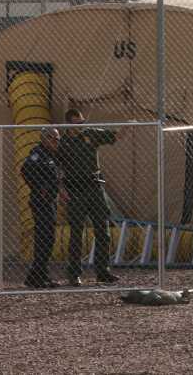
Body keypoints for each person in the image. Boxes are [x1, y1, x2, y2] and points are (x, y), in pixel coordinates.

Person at [59, 107, 120, 285]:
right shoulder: (63, 143)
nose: (82, 126)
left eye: (83, 122)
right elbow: (57, 167)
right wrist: (61, 189)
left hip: (94, 188)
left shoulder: (91, 134)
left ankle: (103, 271)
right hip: (75, 190)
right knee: (76, 232)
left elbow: (115, 137)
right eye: (78, 123)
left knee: (103, 231)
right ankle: (74, 274)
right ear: (69, 124)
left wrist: (128, 127)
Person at [21, 127, 62, 289]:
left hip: (49, 201)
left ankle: (36, 275)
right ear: (46, 138)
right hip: (41, 201)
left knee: (48, 238)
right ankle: (38, 276)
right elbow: (25, 170)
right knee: (44, 238)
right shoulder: (38, 153)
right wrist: (40, 188)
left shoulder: (51, 155)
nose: (57, 142)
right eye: (55, 139)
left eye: (58, 139)